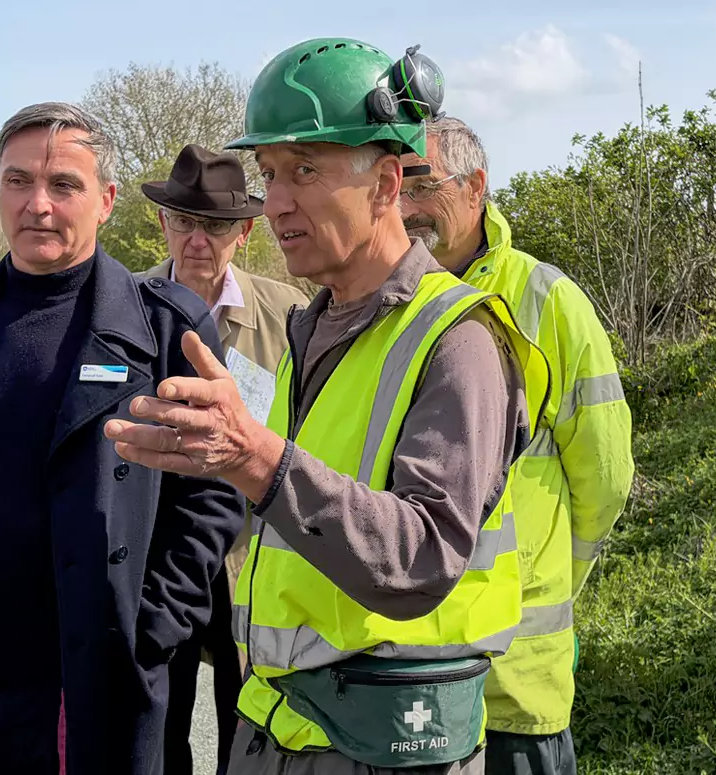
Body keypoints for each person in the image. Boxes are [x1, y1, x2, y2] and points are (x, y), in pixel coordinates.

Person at [103, 37, 552, 774]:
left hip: (390, 740)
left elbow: (422, 553)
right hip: (284, 724)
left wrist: (255, 456)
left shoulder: (458, 340)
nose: (276, 201)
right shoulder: (310, 325)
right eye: (271, 172)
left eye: (305, 170)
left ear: (384, 184)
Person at [0, 101, 246, 775]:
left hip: (85, 681)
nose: (38, 204)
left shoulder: (166, 331)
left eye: (63, 185)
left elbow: (211, 496)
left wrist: (149, 628)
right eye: (17, 182)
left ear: (106, 199)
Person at [399, 116, 635, 775]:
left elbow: (607, 475)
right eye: (396, 189)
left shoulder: (545, 300)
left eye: (423, 185)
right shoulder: (382, 302)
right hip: (402, 671)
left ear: (476, 187)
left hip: (514, 682)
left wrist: (548, 573)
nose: (406, 208)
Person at [137, 142, 311, 774]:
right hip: (163, 556)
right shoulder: (127, 310)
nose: (198, 240)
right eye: (185, 222)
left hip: (252, 556)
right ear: (164, 223)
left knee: (248, 720)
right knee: (160, 719)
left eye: (214, 225)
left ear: (242, 230)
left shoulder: (288, 314)